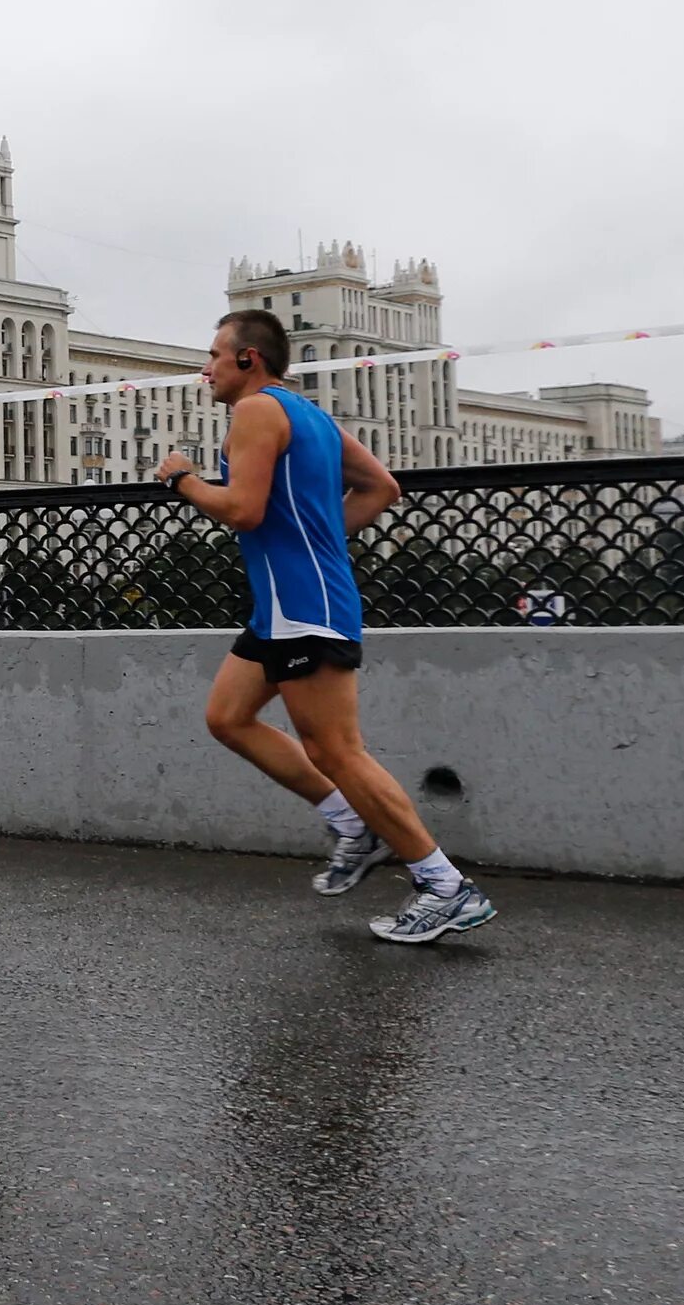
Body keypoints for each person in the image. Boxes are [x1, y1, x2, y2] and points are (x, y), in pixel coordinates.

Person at [156, 309, 498, 944]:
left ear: (247, 360)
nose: (205, 369)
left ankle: (445, 885)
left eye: (213, 355)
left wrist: (183, 478)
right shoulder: (310, 414)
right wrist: (315, 542)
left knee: (338, 750)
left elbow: (244, 509)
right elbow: (382, 487)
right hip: (284, 605)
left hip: (303, 608)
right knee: (228, 718)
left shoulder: (256, 412)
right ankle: (351, 822)